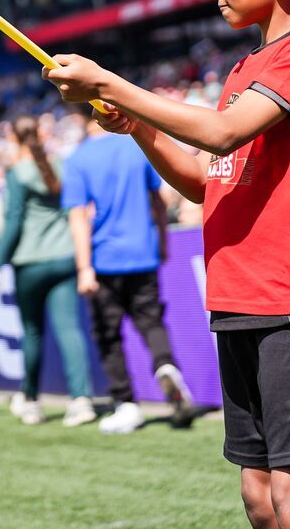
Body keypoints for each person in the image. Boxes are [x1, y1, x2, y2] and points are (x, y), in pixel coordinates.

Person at [45, 0, 290, 529]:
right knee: (259, 499)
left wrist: (107, 83)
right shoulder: (245, 66)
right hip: (239, 303)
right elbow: (205, 179)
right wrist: (136, 129)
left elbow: (220, 134)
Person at [60, 104, 193, 434]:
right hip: (142, 252)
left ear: (80, 118)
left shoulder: (78, 160)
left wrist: (83, 268)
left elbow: (77, 217)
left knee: (108, 334)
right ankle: (165, 366)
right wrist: (162, 241)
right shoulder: (135, 147)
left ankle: (126, 403)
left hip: (104, 259)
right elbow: (158, 202)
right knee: (151, 321)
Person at [0, 114, 96, 428]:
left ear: (13, 139)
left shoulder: (17, 173)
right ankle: (81, 399)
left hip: (31, 262)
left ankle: (31, 400)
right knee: (69, 330)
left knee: (33, 333)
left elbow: (14, 223)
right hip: (64, 257)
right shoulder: (59, 165)